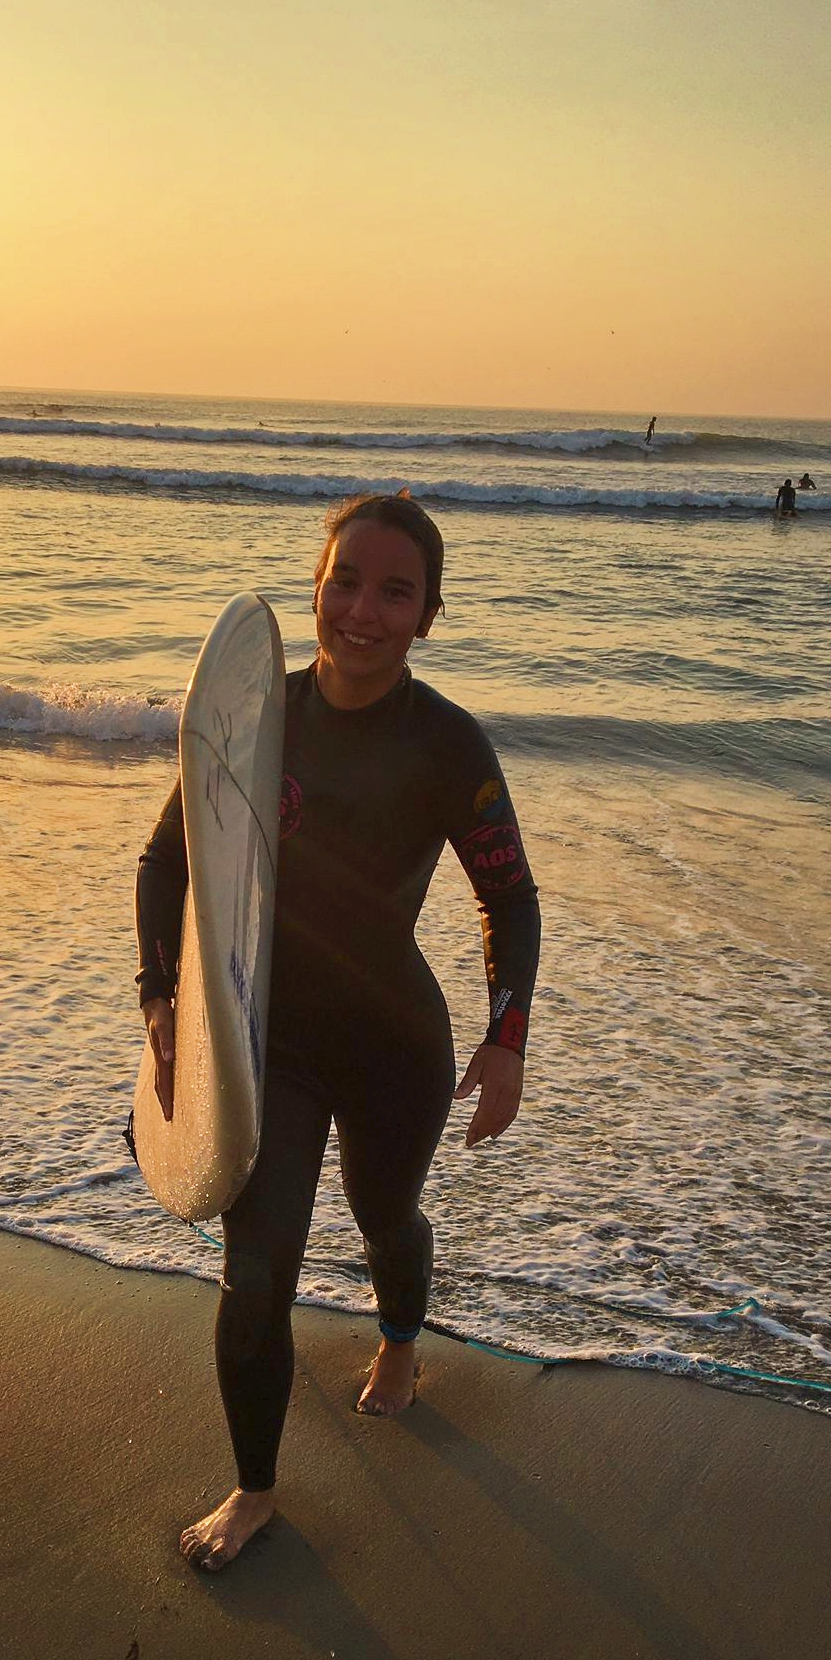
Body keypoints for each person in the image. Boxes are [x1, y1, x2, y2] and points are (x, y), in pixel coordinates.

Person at [135, 492, 540, 1572]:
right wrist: (160, 997)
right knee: (254, 1271)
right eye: (345, 581)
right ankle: (254, 1488)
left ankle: (401, 1338)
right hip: (264, 1044)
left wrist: (506, 1038)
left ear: (428, 615)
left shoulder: (446, 743)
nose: (364, 610)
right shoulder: (254, 719)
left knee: (384, 1215)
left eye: (395, 592)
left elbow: (510, 897)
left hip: (393, 1044)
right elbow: (168, 860)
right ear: (314, 587)